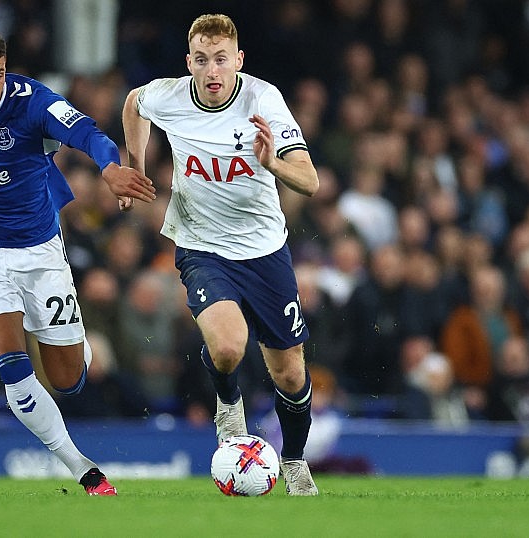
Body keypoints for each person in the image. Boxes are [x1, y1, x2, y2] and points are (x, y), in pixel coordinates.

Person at [0, 26, 155, 496]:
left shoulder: (32, 102)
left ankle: (79, 348)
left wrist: (109, 167)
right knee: (10, 361)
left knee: (68, 380)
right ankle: (83, 469)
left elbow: (87, 132)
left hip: (40, 254)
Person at [122, 14, 320, 495]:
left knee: (290, 372)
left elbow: (310, 180)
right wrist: (136, 165)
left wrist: (272, 163)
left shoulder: (263, 100)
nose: (212, 70)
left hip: (264, 250)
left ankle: (294, 462)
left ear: (239, 61)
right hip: (201, 246)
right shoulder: (169, 95)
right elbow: (133, 104)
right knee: (229, 347)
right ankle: (229, 407)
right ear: (189, 62)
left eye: (221, 60)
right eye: (202, 60)